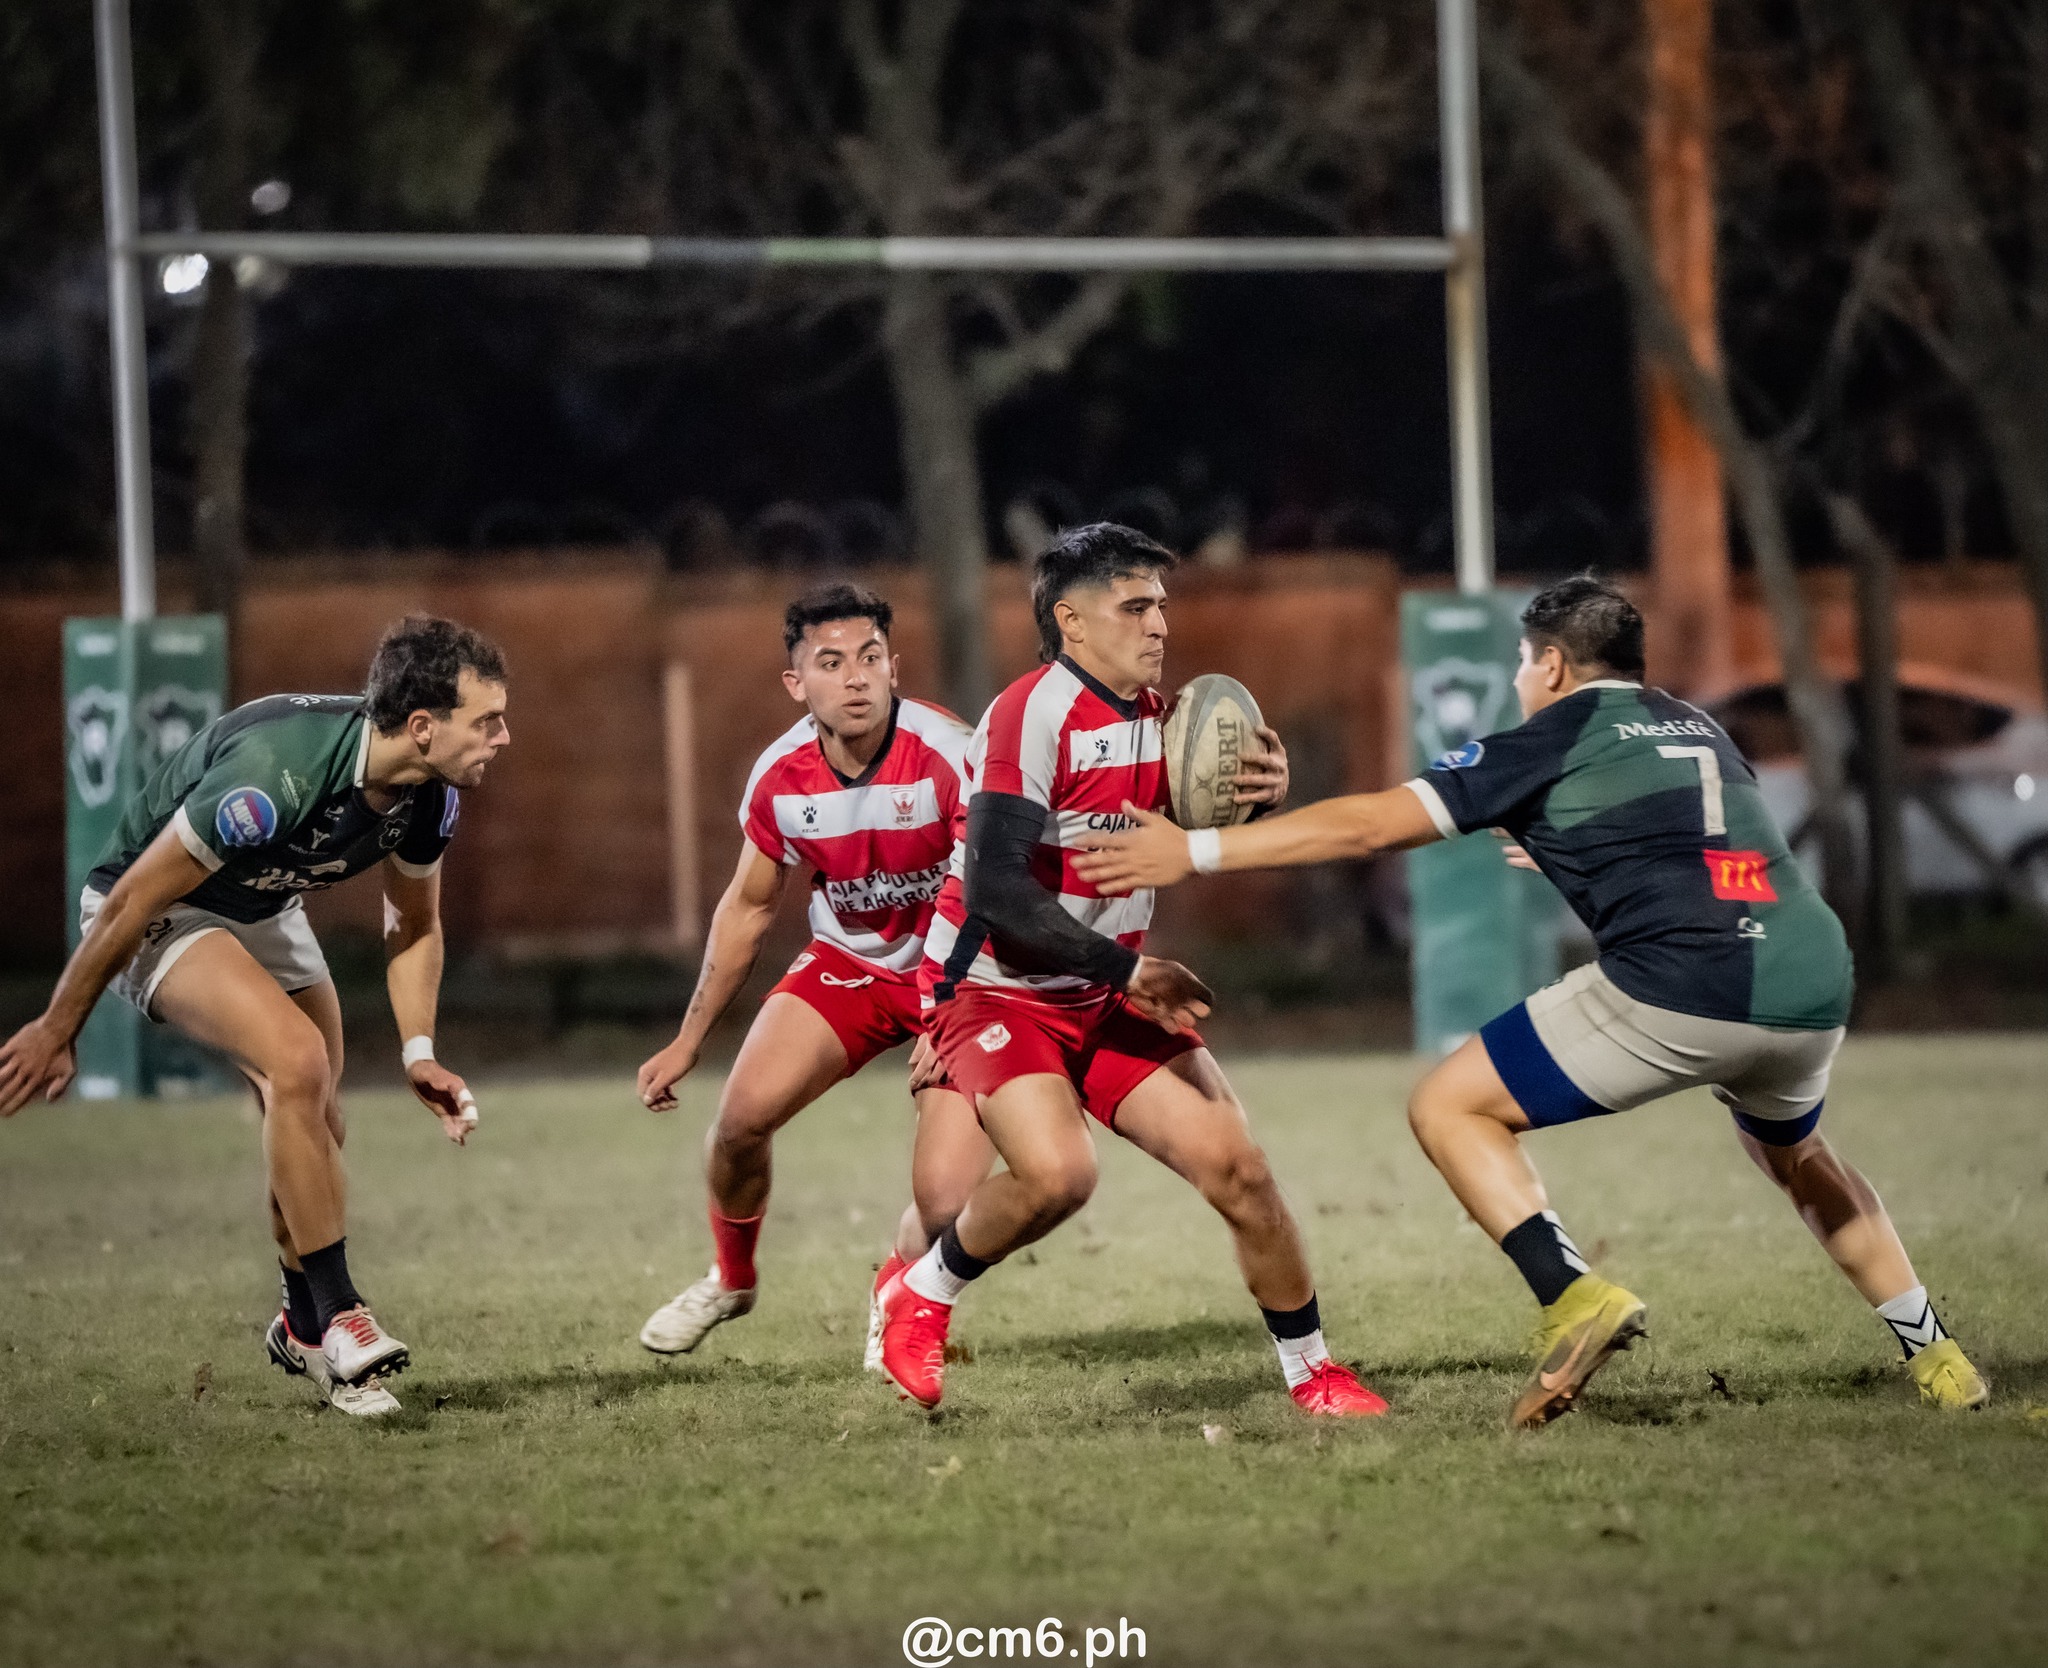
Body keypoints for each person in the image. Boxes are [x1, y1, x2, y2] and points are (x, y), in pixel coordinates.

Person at [1074, 572, 1990, 1425]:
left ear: (1551, 665)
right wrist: (1571, 849)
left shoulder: (1551, 737)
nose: (1520, 681)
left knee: (1449, 1105)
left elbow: (1369, 826)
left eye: (1522, 663)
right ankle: (1939, 1357)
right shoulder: (1696, 726)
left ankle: (1573, 1296)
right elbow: (1698, 849)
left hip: (1686, 982)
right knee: (1798, 1154)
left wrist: (1193, 852)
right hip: (1810, 978)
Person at [871, 523, 1388, 1418]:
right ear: (1071, 621)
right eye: (1135, 606)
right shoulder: (1029, 715)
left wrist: (1258, 794)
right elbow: (996, 889)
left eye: (1161, 606)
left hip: (1103, 988)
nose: (1159, 625)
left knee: (1239, 1168)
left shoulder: (1170, 720)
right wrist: (1126, 967)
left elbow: (1194, 824)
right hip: (998, 988)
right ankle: (923, 1292)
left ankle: (1314, 1374)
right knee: (1057, 1177)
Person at [0, 616, 509, 1418]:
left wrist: (418, 1051)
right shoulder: (278, 771)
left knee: (317, 1117)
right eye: (487, 721)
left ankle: (301, 1327)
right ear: (422, 727)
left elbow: (413, 923)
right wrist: (59, 1026)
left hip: (263, 907)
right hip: (154, 911)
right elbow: (133, 896)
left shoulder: (432, 795)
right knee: (296, 1062)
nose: (502, 737)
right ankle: (342, 1317)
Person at [635, 585, 995, 1365]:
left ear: (894, 667)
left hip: (962, 974)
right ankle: (732, 1280)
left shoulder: (950, 753)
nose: (855, 678)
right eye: (830, 664)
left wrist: (950, 1004)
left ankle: (899, 1283)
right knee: (739, 1123)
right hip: (851, 964)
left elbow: (992, 891)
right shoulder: (781, 776)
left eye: (870, 658)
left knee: (947, 1203)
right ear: (796, 683)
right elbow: (748, 909)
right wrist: (689, 1039)